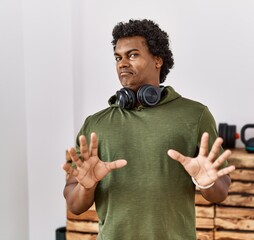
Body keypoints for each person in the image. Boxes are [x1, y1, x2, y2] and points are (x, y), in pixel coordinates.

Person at [62, 19, 235, 240]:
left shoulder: (195, 115)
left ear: (157, 60)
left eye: (132, 55)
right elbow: (74, 205)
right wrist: (87, 187)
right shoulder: (95, 124)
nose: (122, 63)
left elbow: (220, 192)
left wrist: (206, 181)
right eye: (118, 57)